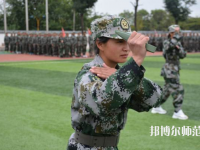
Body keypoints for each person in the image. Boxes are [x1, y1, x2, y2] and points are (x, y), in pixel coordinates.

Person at [67, 15, 163, 150]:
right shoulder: (88, 74)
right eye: (119, 42)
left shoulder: (122, 75)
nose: (126, 48)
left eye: (127, 42)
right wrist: (135, 62)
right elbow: (103, 102)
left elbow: (155, 99)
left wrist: (121, 75)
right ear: (100, 44)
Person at [151, 25, 188, 120]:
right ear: (171, 33)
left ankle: (156, 106)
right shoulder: (167, 42)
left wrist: (179, 48)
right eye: (176, 32)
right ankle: (177, 112)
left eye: (179, 32)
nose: (178, 34)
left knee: (167, 90)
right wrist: (175, 41)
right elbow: (167, 48)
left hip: (175, 69)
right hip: (169, 69)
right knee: (178, 89)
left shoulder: (177, 43)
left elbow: (183, 55)